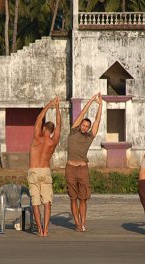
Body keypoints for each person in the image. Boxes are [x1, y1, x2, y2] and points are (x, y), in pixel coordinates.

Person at [66, 92, 102, 232]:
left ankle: (83, 223)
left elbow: (97, 121)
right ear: (80, 125)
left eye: (87, 126)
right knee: (73, 198)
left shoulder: (89, 137)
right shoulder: (73, 132)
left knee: (83, 198)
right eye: (84, 125)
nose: (85, 127)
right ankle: (77, 224)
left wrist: (100, 105)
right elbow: (81, 114)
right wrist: (91, 100)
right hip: (70, 168)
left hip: (82, 169)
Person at [28, 96, 61, 237]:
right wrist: (58, 107)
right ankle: (46, 230)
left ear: (43, 128)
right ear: (52, 131)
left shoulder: (37, 137)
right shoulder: (53, 141)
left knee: (35, 203)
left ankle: (40, 229)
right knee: (47, 202)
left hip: (34, 171)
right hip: (46, 171)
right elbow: (60, 125)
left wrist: (50, 104)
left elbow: (39, 117)